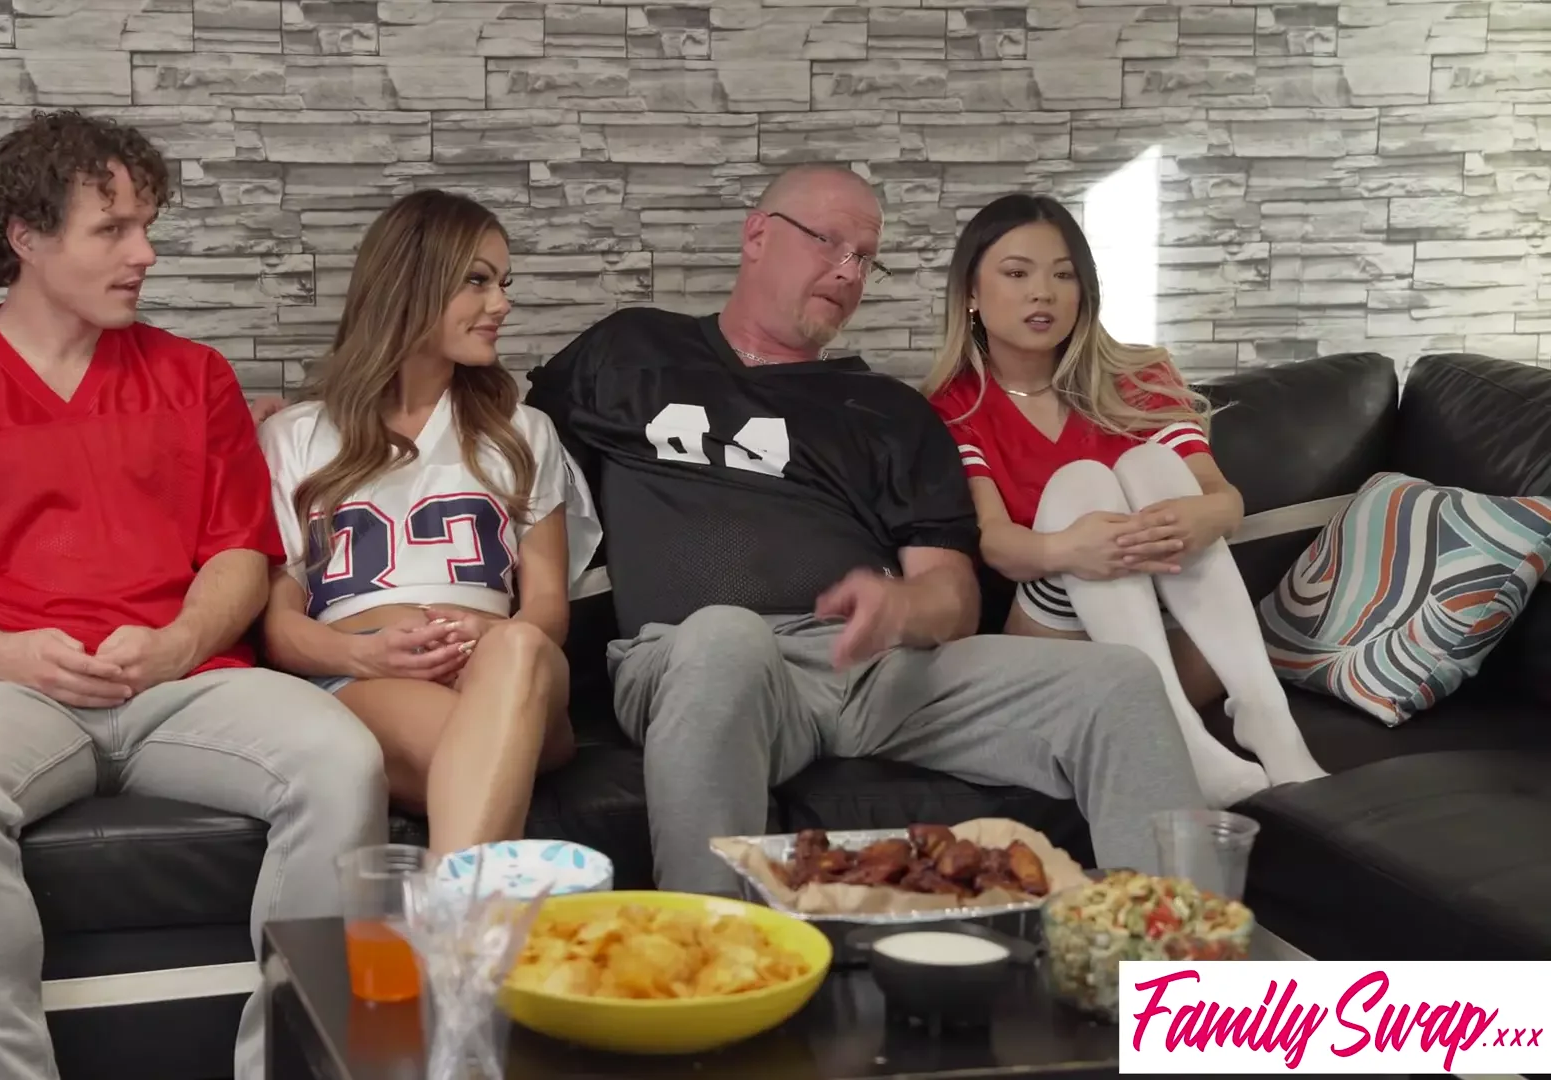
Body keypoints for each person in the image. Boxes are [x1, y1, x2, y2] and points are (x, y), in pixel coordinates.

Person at [0, 109, 387, 1080]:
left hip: (187, 684)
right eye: (114, 230)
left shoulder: (195, 378)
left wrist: (178, 643)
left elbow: (240, 556)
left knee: (342, 760)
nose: (145, 253)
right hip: (6, 693)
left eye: (146, 226)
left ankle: (291, 1066)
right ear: (27, 237)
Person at [523, 163, 1209, 897]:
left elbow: (951, 594)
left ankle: (1176, 955)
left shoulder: (888, 411)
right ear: (757, 236)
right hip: (698, 659)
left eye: (864, 258)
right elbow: (497, 441)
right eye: (829, 243)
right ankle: (710, 952)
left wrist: (904, 606)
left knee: (1120, 682)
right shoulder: (631, 350)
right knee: (726, 636)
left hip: (875, 670)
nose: (849, 272)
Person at [920, 193, 1326, 807]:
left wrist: (1202, 515)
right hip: (1051, 644)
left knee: (1151, 463)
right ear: (971, 292)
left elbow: (1223, 498)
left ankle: (1265, 713)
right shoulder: (956, 405)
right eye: (1017, 273)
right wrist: (1068, 549)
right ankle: (1177, 738)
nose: (1043, 293)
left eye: (1064, 276)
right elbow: (996, 543)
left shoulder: (1138, 375)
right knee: (1082, 483)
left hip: (1176, 634)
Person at [259, 190, 599, 856]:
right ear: (409, 283)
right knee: (479, 751)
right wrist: (364, 654)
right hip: (366, 673)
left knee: (520, 649)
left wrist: (487, 633)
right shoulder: (297, 436)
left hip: (507, 665)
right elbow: (278, 628)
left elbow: (548, 611)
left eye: (503, 284)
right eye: (478, 280)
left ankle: (452, 915)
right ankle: (469, 910)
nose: (501, 304)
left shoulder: (523, 432)